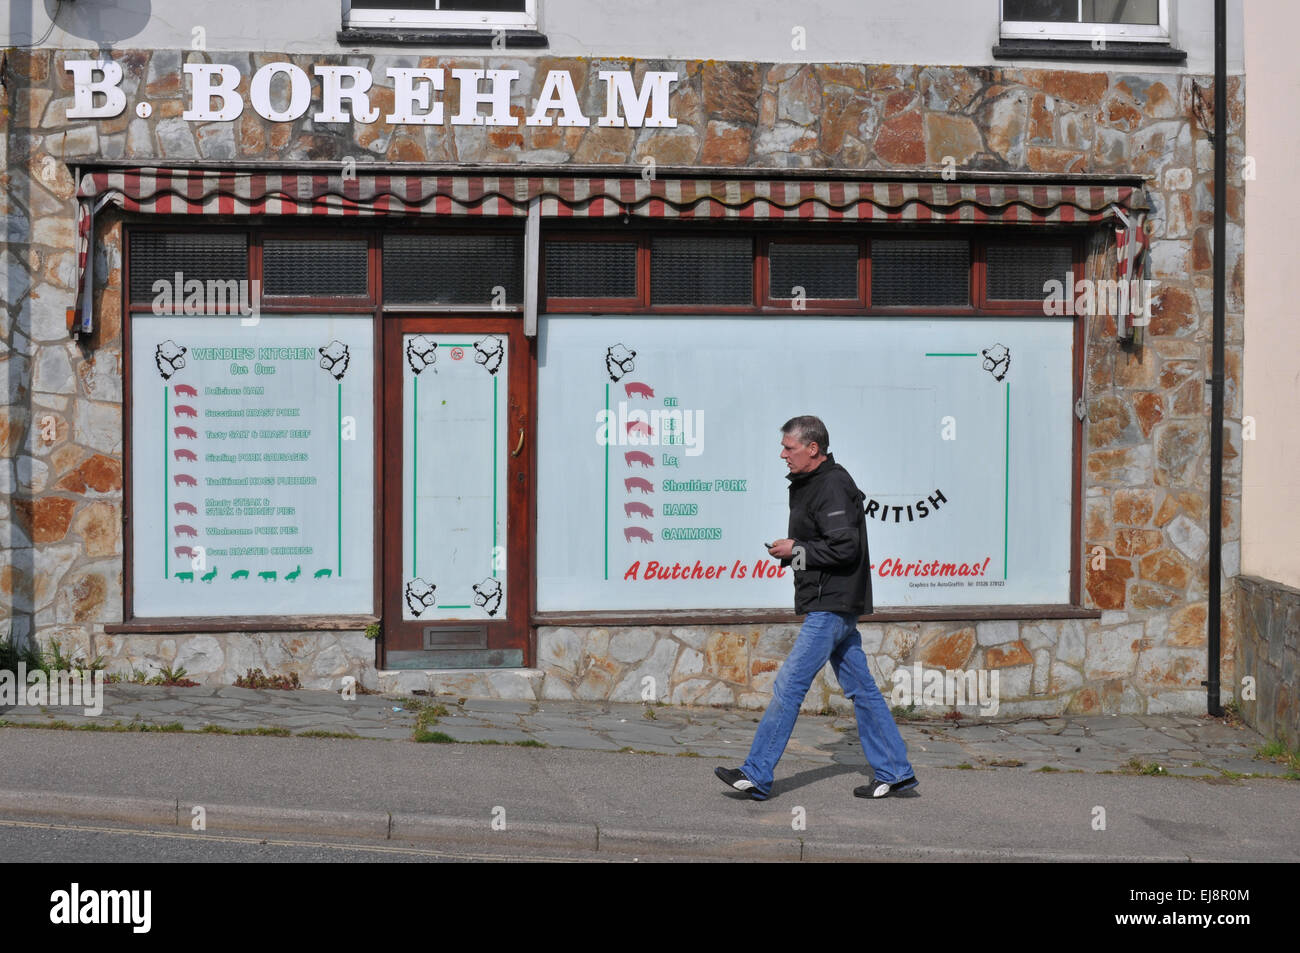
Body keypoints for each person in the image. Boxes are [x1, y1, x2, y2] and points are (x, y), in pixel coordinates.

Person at [715, 415, 917, 801]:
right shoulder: (814, 484)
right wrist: (793, 553)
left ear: (813, 448)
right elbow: (830, 546)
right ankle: (896, 771)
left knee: (789, 685)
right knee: (863, 690)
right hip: (833, 602)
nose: (782, 454)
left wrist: (798, 550)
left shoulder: (833, 484)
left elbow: (846, 548)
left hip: (831, 606)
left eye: (789, 448)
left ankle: (757, 773)